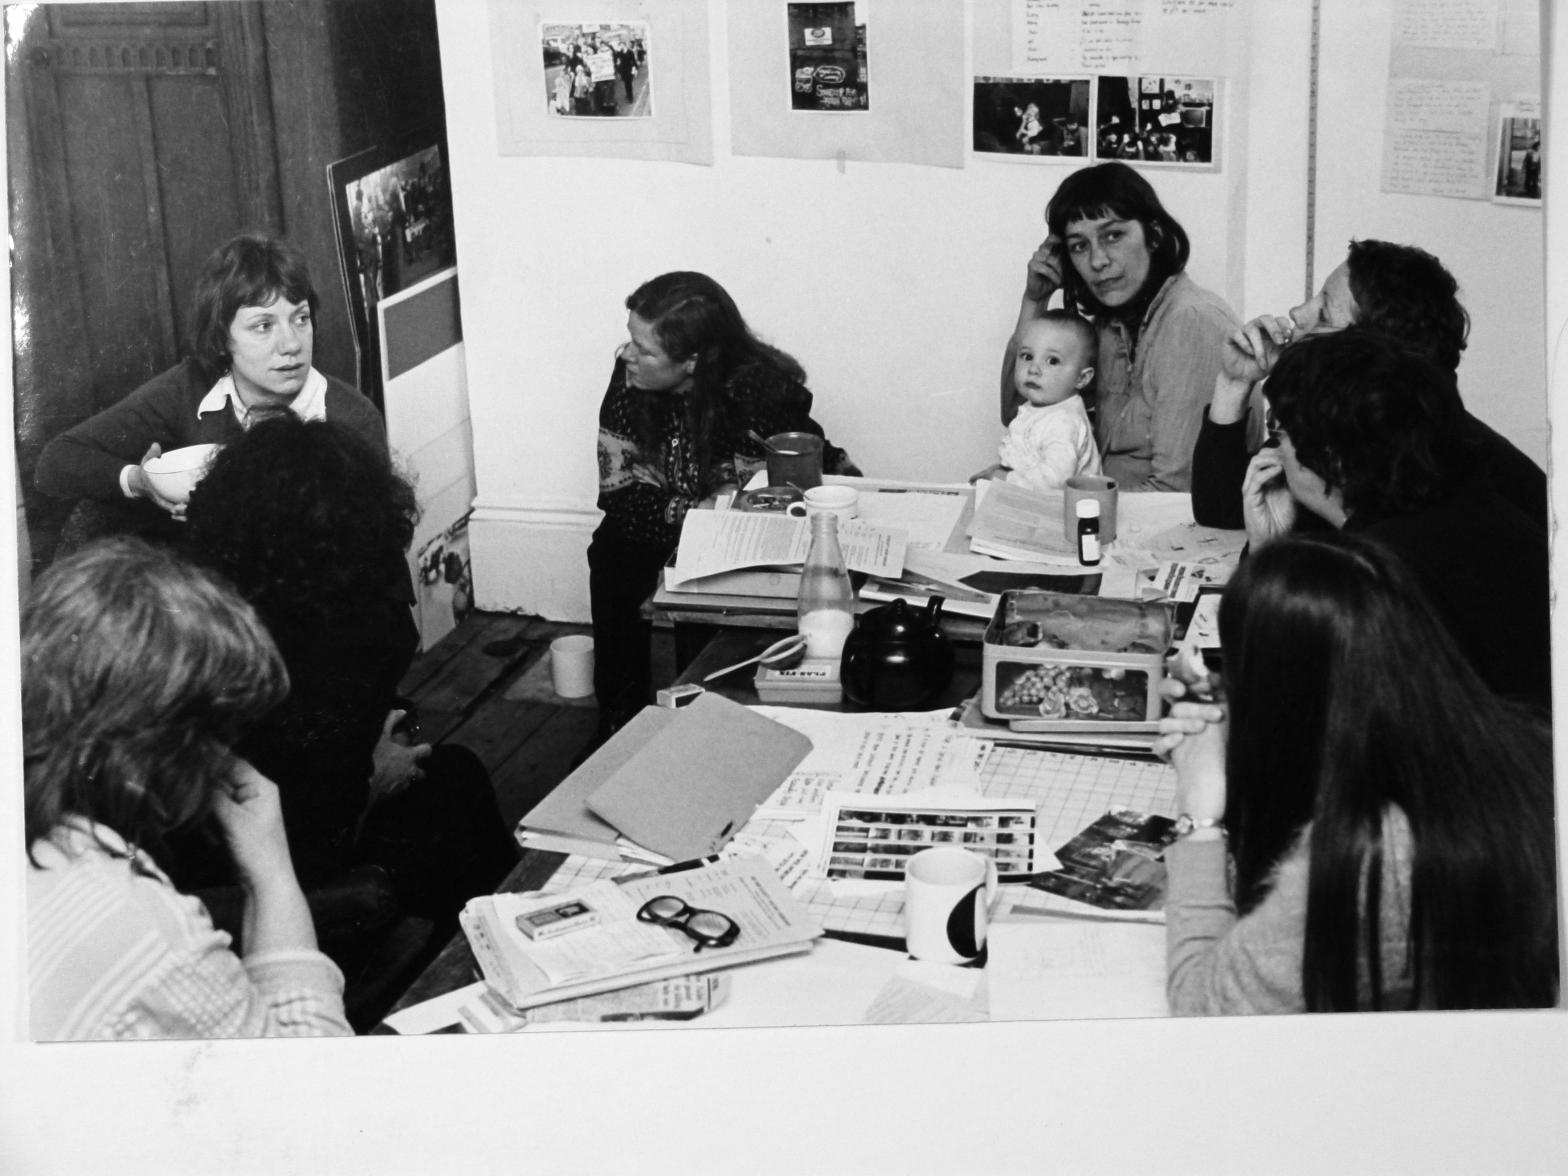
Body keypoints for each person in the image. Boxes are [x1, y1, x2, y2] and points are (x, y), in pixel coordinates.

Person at [1155, 531, 1557, 1014]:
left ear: (1278, 698)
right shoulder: (1524, 746)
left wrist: (1199, 816)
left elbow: (1205, 1015)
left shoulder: (1368, 856)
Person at [176, 416, 517, 953]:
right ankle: (479, 957)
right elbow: (302, 812)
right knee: (452, 802)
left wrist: (377, 742)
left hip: (243, 834)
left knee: (456, 777)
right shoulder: (322, 642)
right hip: (268, 872)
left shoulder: (221, 606)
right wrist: (373, 772)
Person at [24, 537, 354, 1040]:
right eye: (219, 736)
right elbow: (302, 1090)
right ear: (161, 749)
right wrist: (271, 873)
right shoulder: (142, 930)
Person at [589, 271, 859, 738]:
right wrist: (688, 511)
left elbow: (758, 503)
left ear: (691, 361)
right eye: (629, 339)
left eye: (645, 349)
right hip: (671, 520)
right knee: (611, 552)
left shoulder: (758, 393)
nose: (627, 355)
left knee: (714, 578)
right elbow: (620, 492)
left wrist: (695, 511)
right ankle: (620, 717)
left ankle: (713, 714)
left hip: (750, 529)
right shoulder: (628, 380)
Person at [1238, 327, 1549, 712]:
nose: (1275, 450)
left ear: (1330, 457)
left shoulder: (1372, 571)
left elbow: (1273, 688)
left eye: (1279, 432)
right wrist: (1272, 549)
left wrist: (1267, 558)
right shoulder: (1471, 505)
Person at [33, 232, 385, 548]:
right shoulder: (190, 387)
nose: (291, 344)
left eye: (301, 318)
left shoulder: (350, 416)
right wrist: (140, 482)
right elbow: (56, 460)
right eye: (263, 326)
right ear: (221, 339)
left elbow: (379, 549)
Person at [1191, 238, 1545, 530]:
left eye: (1325, 311)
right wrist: (1235, 382)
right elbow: (1221, 512)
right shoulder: (1352, 420)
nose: (1298, 313)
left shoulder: (1419, 467)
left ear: (1368, 354)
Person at [1003, 162, 1238, 491]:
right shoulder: (1111, 322)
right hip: (1101, 513)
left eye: (1113, 236)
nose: (1098, 261)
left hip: (1149, 526)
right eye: (1079, 246)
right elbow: (1023, 414)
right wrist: (1034, 300)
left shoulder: (1191, 322)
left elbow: (1177, 492)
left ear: (1153, 236)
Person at [972, 310, 1100, 491]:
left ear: (1082, 378)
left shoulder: (1064, 421)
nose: (1033, 369)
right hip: (1038, 503)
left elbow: (1055, 480)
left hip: (1067, 511)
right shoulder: (1040, 408)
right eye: (1027, 356)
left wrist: (1004, 479)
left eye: (1052, 361)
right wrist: (998, 471)